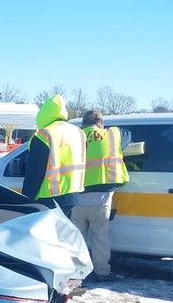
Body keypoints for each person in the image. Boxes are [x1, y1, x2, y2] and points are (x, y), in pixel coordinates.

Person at [72, 109, 130, 282]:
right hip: (101, 199)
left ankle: (76, 274)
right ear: (101, 123)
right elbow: (127, 137)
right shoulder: (112, 135)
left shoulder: (75, 138)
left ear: (83, 124)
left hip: (77, 196)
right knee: (101, 238)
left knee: (76, 239)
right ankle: (102, 272)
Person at [22, 94, 86, 215]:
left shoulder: (44, 134)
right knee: (62, 233)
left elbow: (34, 173)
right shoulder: (79, 132)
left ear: (43, 114)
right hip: (73, 195)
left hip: (47, 198)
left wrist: (25, 200)